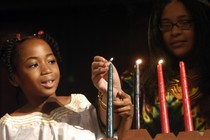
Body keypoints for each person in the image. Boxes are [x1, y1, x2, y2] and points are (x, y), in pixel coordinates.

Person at [91, 0, 210, 138]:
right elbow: (111, 128)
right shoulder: (137, 78)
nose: (175, 31)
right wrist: (110, 92)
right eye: (166, 25)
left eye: (184, 22)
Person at [0, 30, 133, 140]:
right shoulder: (9, 127)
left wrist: (110, 91)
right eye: (34, 64)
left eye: (51, 61)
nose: (46, 70)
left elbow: (111, 129)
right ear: (14, 78)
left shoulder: (79, 104)